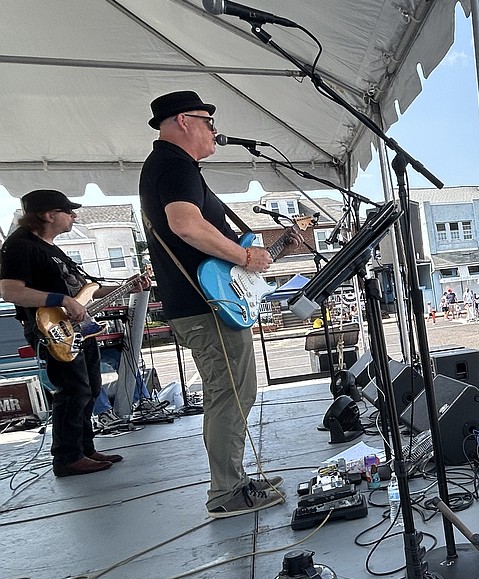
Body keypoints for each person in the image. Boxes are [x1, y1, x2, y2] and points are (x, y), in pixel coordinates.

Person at [139, 91, 301, 518]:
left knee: (233, 391)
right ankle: (227, 492)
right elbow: (186, 225)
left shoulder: (174, 166)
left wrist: (262, 249)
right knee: (230, 393)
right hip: (203, 304)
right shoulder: (173, 164)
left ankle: (235, 479)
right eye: (207, 121)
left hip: (203, 301)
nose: (214, 129)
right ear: (183, 121)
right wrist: (247, 256)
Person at [0, 190, 149, 476]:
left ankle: (84, 449)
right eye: (69, 211)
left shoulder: (52, 248)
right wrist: (61, 300)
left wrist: (127, 286)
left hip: (77, 328)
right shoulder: (20, 246)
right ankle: (67, 458)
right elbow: (10, 290)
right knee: (73, 390)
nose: (74, 216)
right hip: (48, 328)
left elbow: (84, 292)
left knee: (91, 387)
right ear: (48, 215)